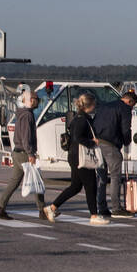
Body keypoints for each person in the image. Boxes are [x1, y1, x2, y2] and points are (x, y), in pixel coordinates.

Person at [46, 91, 107, 226]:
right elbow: (78, 137)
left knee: (75, 186)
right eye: (94, 104)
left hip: (74, 155)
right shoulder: (82, 119)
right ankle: (94, 215)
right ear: (89, 106)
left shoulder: (78, 118)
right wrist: (92, 142)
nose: (95, 107)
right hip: (80, 156)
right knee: (90, 185)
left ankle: (52, 208)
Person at [0, 88, 47, 221]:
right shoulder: (28, 115)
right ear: (30, 100)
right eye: (36, 99)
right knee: (37, 179)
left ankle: (0, 208)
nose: (37, 102)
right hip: (23, 152)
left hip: (17, 151)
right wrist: (31, 153)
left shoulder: (21, 113)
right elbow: (26, 136)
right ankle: (42, 210)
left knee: (14, 182)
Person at [91, 90, 137, 218]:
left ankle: (101, 207)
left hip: (97, 142)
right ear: (130, 102)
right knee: (115, 176)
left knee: (101, 177)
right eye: (133, 106)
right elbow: (126, 128)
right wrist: (127, 141)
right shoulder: (125, 108)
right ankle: (116, 208)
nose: (132, 108)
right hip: (111, 144)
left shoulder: (105, 105)